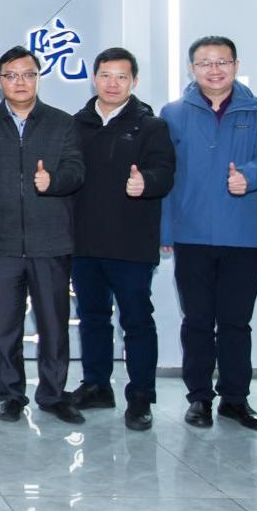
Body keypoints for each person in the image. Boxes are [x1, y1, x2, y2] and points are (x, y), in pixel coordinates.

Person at [160, 35, 257, 431]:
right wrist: (165, 229)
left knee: (236, 322)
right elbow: (166, 173)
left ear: (236, 65)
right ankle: (199, 398)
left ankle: (235, 399)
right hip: (191, 233)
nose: (214, 70)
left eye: (222, 62)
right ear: (192, 69)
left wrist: (250, 175)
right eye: (205, 63)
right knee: (197, 321)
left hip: (241, 232)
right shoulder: (173, 113)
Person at [0, 46, 86, 424]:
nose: (19, 82)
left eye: (27, 74)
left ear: (38, 78)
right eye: (11, 75)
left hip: (51, 240)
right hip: (2, 242)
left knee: (53, 325)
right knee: (5, 326)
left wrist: (54, 181)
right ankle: (9, 395)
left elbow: (76, 171)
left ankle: (53, 394)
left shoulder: (61, 122)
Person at [68, 47, 175, 431]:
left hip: (131, 243)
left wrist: (147, 182)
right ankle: (97, 385)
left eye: (121, 77)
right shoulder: (75, 124)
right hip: (83, 242)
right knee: (92, 318)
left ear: (134, 81)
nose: (112, 83)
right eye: (105, 75)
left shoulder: (151, 126)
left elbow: (165, 172)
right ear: (94, 78)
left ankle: (141, 395)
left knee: (136, 321)